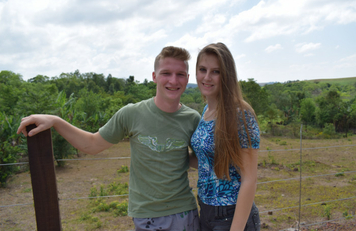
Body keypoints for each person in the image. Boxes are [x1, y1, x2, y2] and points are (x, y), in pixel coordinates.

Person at [17, 46, 201, 231]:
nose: (173, 80)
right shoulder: (132, 114)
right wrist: (56, 121)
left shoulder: (192, 119)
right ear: (154, 76)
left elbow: (201, 159)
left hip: (183, 212)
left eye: (180, 74)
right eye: (166, 73)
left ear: (187, 78)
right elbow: (92, 145)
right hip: (146, 214)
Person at [189, 43, 260, 231]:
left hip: (230, 215)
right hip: (206, 211)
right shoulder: (206, 111)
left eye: (216, 72)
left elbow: (249, 179)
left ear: (226, 75)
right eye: (202, 70)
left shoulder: (240, 114)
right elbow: (210, 162)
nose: (207, 77)